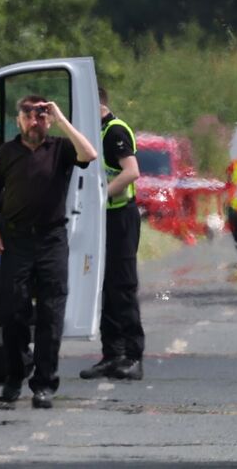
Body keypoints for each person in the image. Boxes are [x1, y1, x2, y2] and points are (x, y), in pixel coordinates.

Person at [0, 95, 98, 409]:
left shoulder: (60, 149)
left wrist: (61, 118)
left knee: (51, 312)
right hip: (16, 241)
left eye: (41, 116)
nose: (35, 122)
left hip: (51, 240)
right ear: (19, 120)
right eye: (29, 116)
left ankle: (44, 384)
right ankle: (16, 374)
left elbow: (90, 153)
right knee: (13, 311)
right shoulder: (8, 152)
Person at [80, 87, 145, 381]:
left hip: (120, 216)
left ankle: (133, 357)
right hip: (103, 217)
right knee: (104, 286)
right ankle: (111, 355)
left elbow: (131, 171)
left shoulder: (114, 131)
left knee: (123, 286)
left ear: (98, 104)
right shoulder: (95, 131)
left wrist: (100, 196)